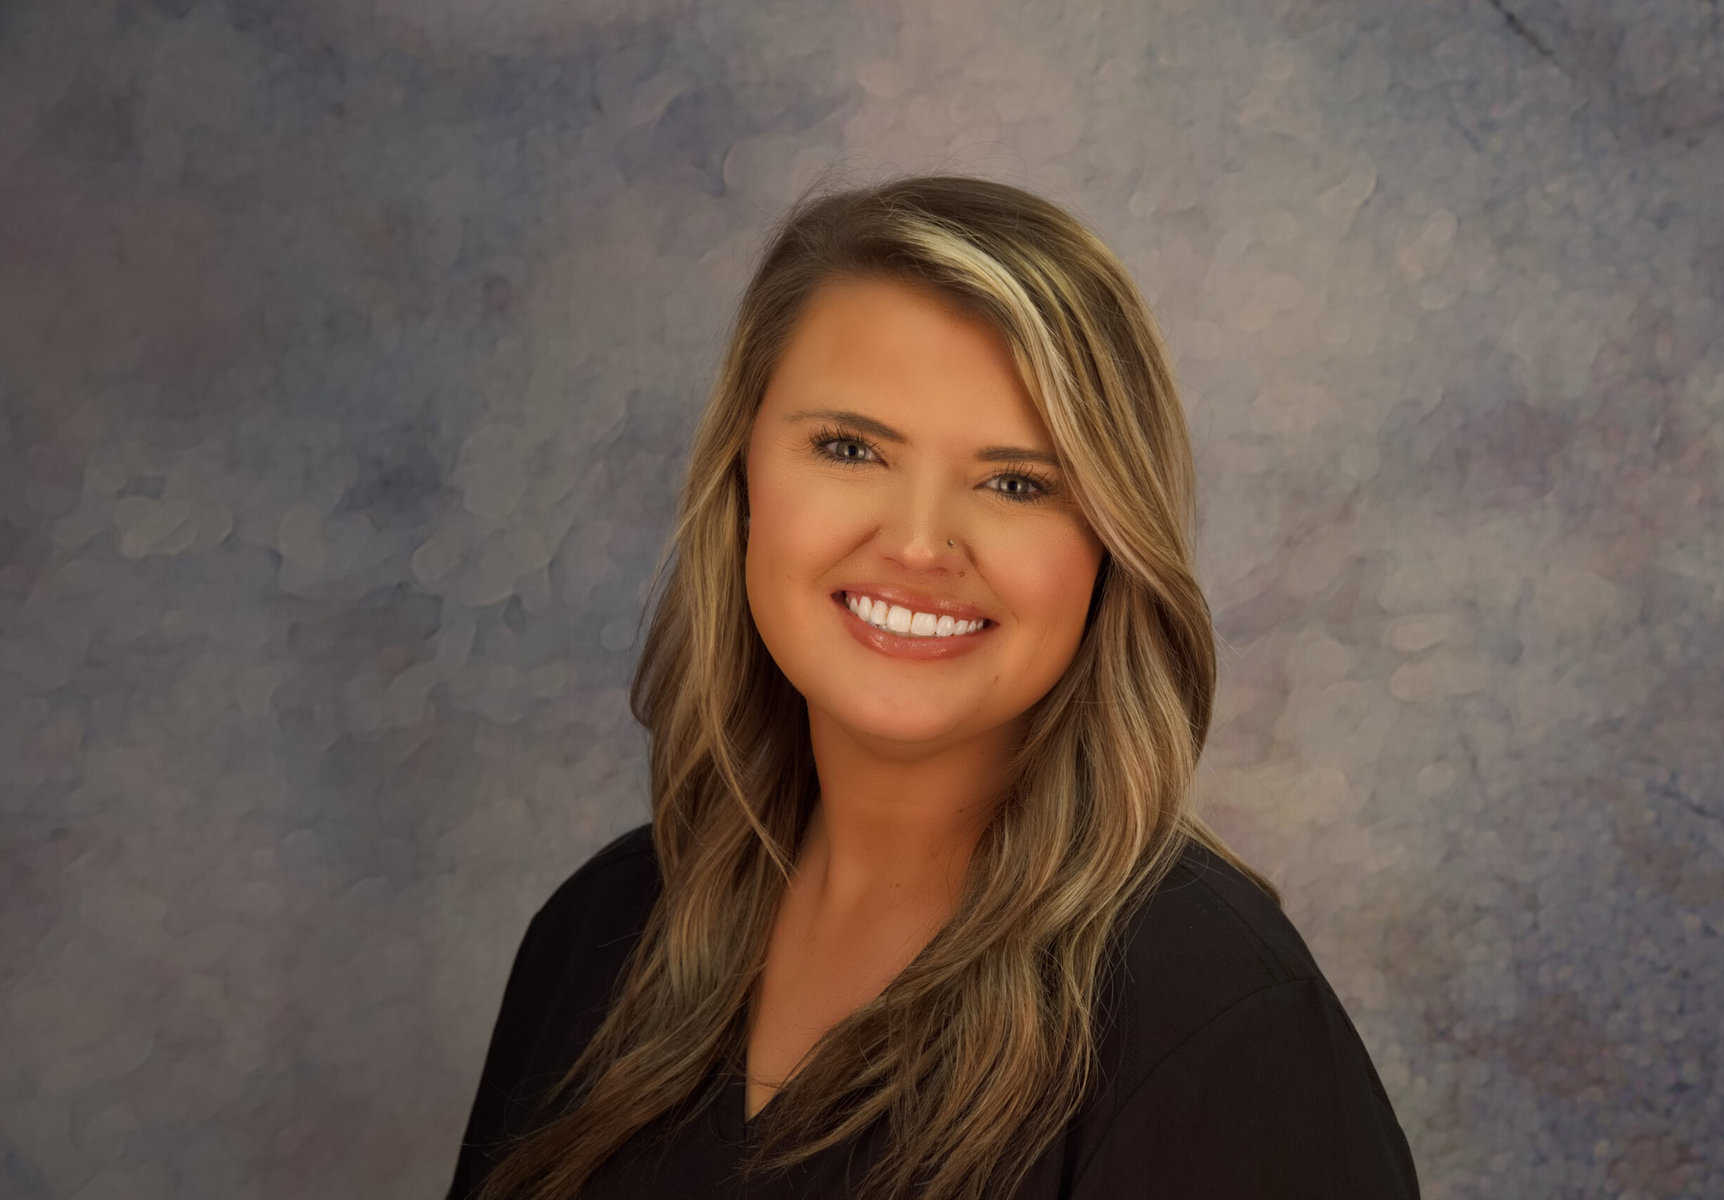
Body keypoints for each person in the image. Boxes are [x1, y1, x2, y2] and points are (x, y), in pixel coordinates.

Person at [446, 174, 1420, 1199]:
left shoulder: (1217, 1017)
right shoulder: (596, 936)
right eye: (850, 448)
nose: (917, 544)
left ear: (1108, 546)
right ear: (743, 486)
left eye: (1016, 483)